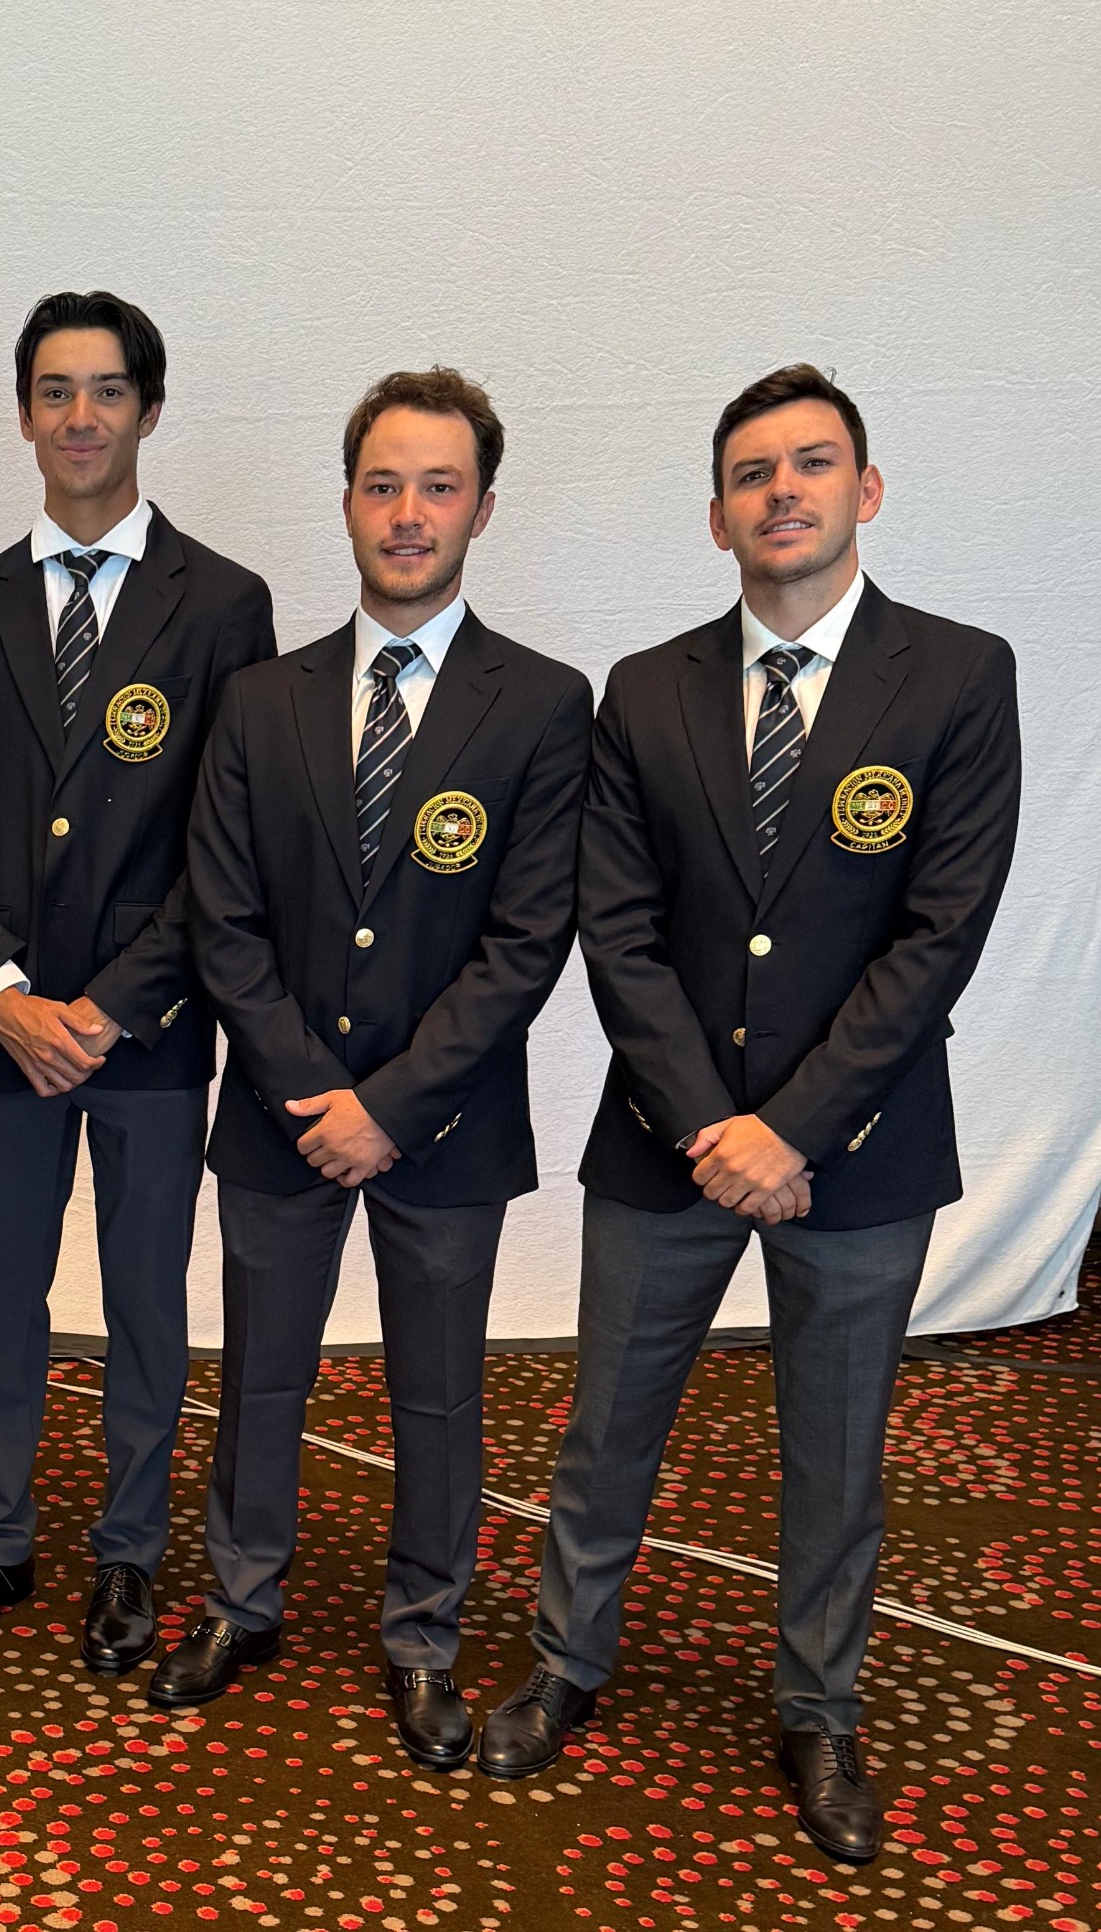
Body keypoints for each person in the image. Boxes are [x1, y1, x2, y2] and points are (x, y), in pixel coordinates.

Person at [477, 366, 1022, 1866]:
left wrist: (796, 1129)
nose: (784, 490)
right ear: (716, 517)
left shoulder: (960, 676)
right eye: (752, 473)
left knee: (836, 1453)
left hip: (866, 1147)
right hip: (671, 1139)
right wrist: (715, 1124)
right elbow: (619, 929)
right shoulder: (645, 690)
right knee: (606, 1430)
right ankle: (566, 1664)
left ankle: (819, 1707)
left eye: (814, 463)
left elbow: (941, 931)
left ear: (867, 490)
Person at [155, 371, 591, 1757]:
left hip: (447, 1125)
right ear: (346, 501)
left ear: (482, 510)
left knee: (439, 1393)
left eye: (438, 488)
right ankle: (242, 1599)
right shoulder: (259, 700)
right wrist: (310, 1093)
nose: (409, 514)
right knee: (261, 1373)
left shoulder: (545, 704)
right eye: (383, 485)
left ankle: (423, 1634)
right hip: (279, 1113)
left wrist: (390, 1108)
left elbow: (528, 940)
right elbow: (224, 919)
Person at [0, 291, 277, 1672]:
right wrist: (2, 990)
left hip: (150, 1035)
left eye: (106, 390)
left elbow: (230, 843)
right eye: (53, 391)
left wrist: (114, 1005)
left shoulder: (223, 605)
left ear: (149, 411)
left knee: (144, 1301)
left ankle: (129, 1551)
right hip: (4, 1032)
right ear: (23, 415)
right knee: (0, 1291)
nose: (79, 416)